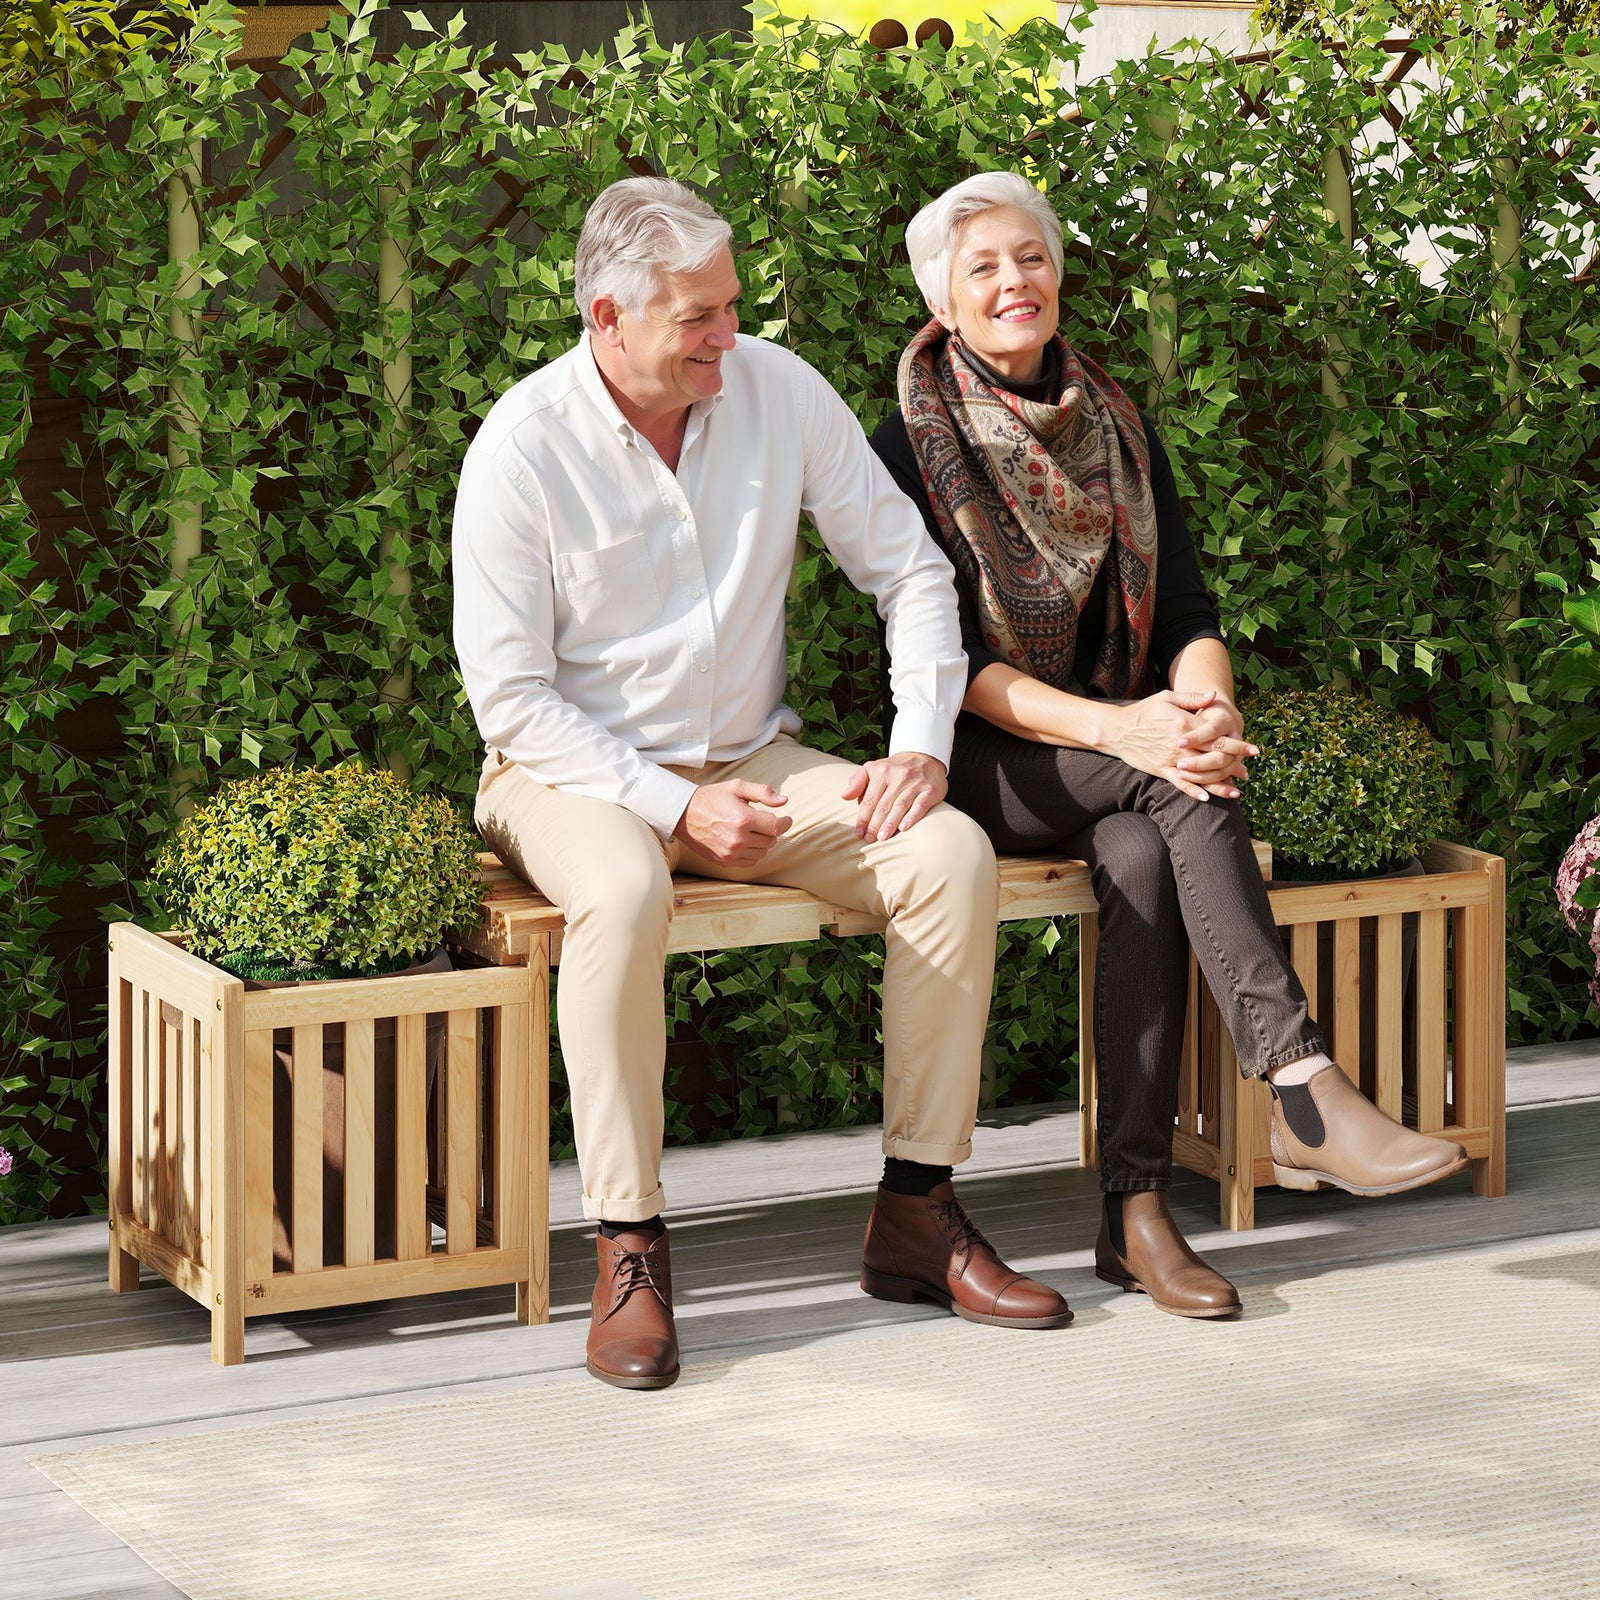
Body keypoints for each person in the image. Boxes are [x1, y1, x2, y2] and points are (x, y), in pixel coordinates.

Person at [452, 176, 1073, 1391]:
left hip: (754, 763)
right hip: (561, 771)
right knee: (624, 886)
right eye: (697, 319)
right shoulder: (521, 449)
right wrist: (672, 804)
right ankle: (628, 1247)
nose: (727, 337)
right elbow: (513, 702)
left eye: (730, 307)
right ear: (606, 316)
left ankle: (915, 1212)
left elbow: (911, 575)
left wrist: (919, 744)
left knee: (944, 852)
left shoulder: (777, 391)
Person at [870, 171, 1469, 1320]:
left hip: (1127, 751)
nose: (1013, 282)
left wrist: (1205, 709)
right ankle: (1303, 1088)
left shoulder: (1119, 427)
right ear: (941, 302)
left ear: (1058, 273)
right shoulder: (906, 443)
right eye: (982, 267)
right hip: (975, 759)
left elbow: (1186, 614)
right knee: (1171, 782)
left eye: (1029, 257)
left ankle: (1134, 1214)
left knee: (1148, 846)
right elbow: (946, 666)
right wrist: (1134, 729)